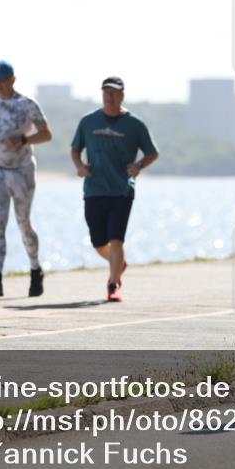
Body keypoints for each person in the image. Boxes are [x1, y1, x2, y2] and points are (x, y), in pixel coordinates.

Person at [71, 77, 159, 302]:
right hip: (94, 190)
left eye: (115, 93)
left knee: (117, 239)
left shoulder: (134, 124)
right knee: (99, 242)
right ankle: (117, 263)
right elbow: (75, 149)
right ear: (102, 95)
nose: (110, 97)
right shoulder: (88, 121)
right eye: (106, 93)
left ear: (122, 96)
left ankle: (113, 284)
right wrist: (80, 166)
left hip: (122, 190)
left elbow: (152, 153)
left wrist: (139, 165)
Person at [0, 60, 53, 298]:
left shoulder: (27, 105)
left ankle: (35, 270)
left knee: (22, 222)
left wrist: (22, 140)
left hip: (21, 171)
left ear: (12, 80)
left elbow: (46, 134)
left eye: (2, 80)